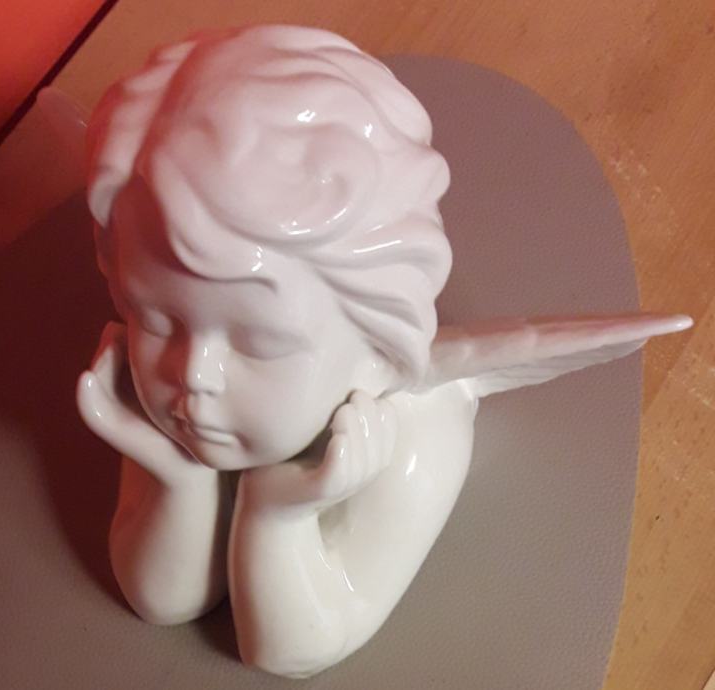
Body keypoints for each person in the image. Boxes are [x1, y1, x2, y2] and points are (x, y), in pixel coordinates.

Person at [71, 25, 691, 678]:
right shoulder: (184, 401)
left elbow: (289, 650)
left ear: (375, 347)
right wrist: (180, 474)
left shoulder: (416, 437)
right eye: (155, 317)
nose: (193, 374)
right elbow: (163, 598)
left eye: (259, 342)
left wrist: (277, 519)